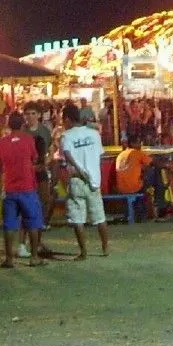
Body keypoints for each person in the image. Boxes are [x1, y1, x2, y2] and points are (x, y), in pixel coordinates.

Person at [0, 112, 48, 267]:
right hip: (27, 187)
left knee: (9, 224)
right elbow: (35, 158)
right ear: (22, 124)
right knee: (32, 222)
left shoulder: (2, 142)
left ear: (8, 124)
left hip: (10, 187)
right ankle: (34, 257)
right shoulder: (29, 140)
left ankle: (9, 259)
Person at [59, 102, 109, 259]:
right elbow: (100, 155)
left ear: (67, 119)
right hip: (94, 181)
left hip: (76, 180)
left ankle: (84, 252)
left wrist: (79, 169)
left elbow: (66, 154)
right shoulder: (94, 134)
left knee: (77, 218)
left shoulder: (66, 136)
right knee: (99, 217)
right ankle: (105, 247)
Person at [114, 138, 172, 219]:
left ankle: (157, 203)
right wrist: (167, 167)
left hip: (121, 188)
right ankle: (159, 202)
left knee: (148, 171)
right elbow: (154, 163)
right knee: (156, 170)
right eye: (139, 143)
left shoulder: (121, 155)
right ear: (132, 143)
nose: (141, 145)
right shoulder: (137, 153)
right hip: (134, 187)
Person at [23, 103, 54, 232]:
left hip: (41, 169)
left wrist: (47, 160)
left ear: (39, 115)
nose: (30, 117)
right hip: (25, 171)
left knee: (45, 198)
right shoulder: (22, 131)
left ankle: (40, 222)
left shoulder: (44, 131)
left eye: (33, 113)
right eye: (28, 114)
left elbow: (51, 149)